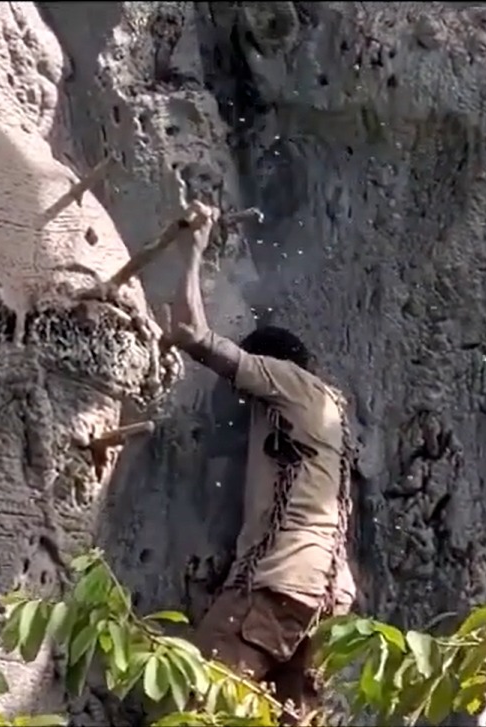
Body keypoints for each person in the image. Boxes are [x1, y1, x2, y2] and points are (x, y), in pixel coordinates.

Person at [163, 201, 357, 724]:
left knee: (198, 705)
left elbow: (190, 333)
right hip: (330, 602)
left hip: (276, 585)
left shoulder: (288, 383)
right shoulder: (333, 412)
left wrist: (191, 249)